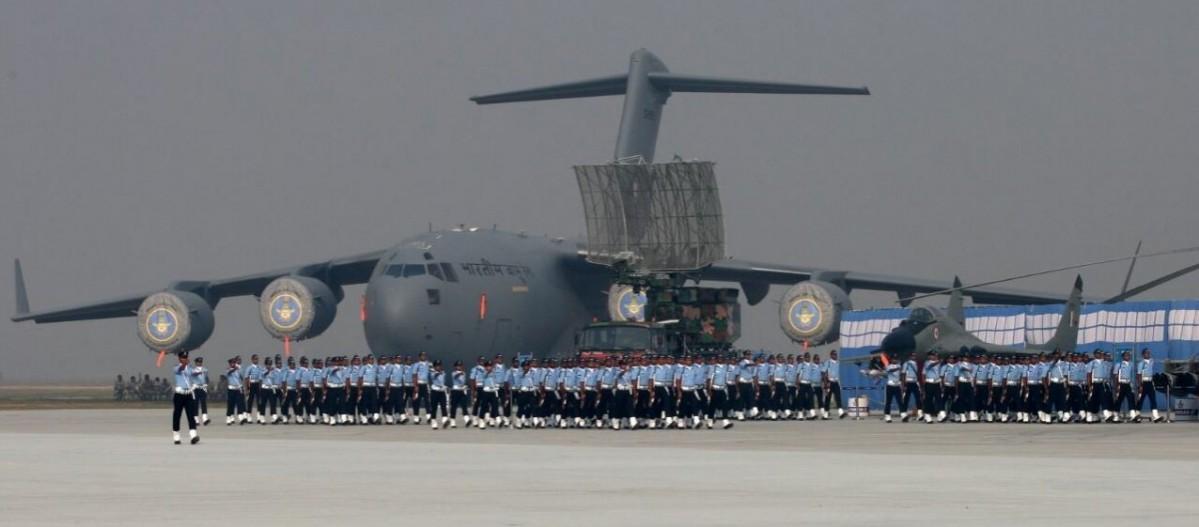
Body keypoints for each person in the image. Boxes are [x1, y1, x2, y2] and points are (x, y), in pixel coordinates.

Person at [170, 351, 200, 445]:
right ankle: (176, 435)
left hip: (188, 394)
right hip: (179, 395)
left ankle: (193, 435)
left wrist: (198, 372)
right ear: (179, 358)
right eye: (183, 357)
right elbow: (180, 368)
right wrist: (184, 364)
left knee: (191, 415)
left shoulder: (189, 368)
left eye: (186, 357)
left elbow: (194, 373)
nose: (185, 359)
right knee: (177, 415)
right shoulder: (176, 367)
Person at [1134, 348, 1162, 423]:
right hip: (1143, 383)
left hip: (1150, 382)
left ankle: (1155, 416)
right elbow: (1138, 375)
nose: (1148, 354)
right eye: (1146, 353)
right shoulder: (1141, 363)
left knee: (1153, 399)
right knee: (1140, 400)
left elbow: (1152, 360)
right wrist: (1140, 385)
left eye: (1149, 353)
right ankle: (1137, 415)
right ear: (1143, 355)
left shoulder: (1151, 361)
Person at [1112, 350, 1135, 423]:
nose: (1128, 357)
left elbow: (1132, 375)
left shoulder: (1131, 364)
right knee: (1119, 400)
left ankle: (1133, 415)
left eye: (1128, 355)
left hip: (1128, 384)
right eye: (1126, 355)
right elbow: (1115, 376)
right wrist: (1116, 386)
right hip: (1121, 384)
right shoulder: (1119, 365)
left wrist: (1132, 384)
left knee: (1131, 399)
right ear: (1123, 357)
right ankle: (1116, 416)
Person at [822, 350, 845, 419]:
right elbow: (823, 372)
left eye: (835, 355)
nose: (835, 356)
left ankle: (840, 412)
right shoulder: (828, 362)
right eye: (833, 355)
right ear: (831, 355)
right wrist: (825, 383)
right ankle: (825, 414)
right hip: (829, 382)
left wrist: (839, 383)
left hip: (836, 382)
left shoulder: (837, 363)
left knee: (838, 397)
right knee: (828, 398)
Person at [225, 357, 247, 425]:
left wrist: (239, 370)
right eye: (232, 363)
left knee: (239, 403)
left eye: (234, 363)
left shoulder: (238, 369)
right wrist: (235, 369)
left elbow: (242, 377)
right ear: (229, 364)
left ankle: (240, 417)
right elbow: (228, 373)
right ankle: (228, 417)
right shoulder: (228, 369)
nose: (233, 364)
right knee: (230, 404)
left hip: (238, 389)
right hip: (231, 389)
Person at [921, 353, 941, 424]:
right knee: (928, 399)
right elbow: (930, 366)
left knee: (938, 398)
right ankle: (927, 414)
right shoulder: (927, 363)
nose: (933, 357)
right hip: (929, 382)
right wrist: (924, 384)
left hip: (937, 383)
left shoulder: (938, 363)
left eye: (934, 355)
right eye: (932, 355)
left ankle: (938, 413)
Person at [245, 354, 265, 423]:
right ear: (252, 360)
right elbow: (247, 378)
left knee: (259, 401)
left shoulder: (260, 367)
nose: (257, 360)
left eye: (257, 359)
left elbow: (262, 377)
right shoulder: (249, 368)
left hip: (258, 384)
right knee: (250, 401)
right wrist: (247, 388)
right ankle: (249, 416)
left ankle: (259, 416)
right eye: (255, 359)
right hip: (251, 384)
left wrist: (261, 386)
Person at [428, 360, 449, 429]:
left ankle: (445, 420)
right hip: (435, 391)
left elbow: (443, 381)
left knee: (443, 406)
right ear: (434, 367)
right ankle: (434, 422)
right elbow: (434, 376)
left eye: (439, 365)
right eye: (437, 366)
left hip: (442, 391)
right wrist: (437, 372)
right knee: (434, 407)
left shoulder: (443, 372)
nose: (438, 367)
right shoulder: (432, 373)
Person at [882, 354, 902, 423]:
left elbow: (901, 375)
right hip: (890, 385)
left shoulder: (899, 366)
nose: (895, 360)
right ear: (891, 360)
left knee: (900, 401)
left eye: (896, 359)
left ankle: (903, 414)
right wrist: (897, 368)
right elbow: (889, 371)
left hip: (897, 385)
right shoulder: (888, 366)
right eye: (893, 359)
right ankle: (887, 415)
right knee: (888, 401)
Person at [900, 354, 920, 422]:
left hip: (915, 382)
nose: (913, 357)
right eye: (912, 356)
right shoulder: (907, 364)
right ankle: (904, 414)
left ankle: (920, 413)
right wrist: (903, 385)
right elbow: (903, 374)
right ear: (909, 357)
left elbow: (918, 374)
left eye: (914, 356)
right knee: (906, 399)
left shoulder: (917, 363)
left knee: (918, 398)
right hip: (908, 383)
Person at [450, 360, 469, 428]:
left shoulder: (464, 373)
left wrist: (465, 386)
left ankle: (467, 419)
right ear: (455, 367)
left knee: (464, 405)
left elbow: (463, 382)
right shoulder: (453, 373)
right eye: (458, 366)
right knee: (454, 406)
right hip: (455, 391)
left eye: (460, 365)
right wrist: (459, 374)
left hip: (462, 391)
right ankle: (453, 421)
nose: (459, 367)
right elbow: (455, 377)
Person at [192, 357, 210, 425]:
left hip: (203, 387)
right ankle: (196, 420)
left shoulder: (205, 370)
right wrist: (199, 372)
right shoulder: (193, 370)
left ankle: (205, 419)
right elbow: (193, 374)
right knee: (195, 404)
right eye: (198, 362)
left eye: (201, 362)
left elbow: (206, 378)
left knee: (203, 403)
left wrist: (206, 384)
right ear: (196, 363)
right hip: (196, 388)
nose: (200, 363)